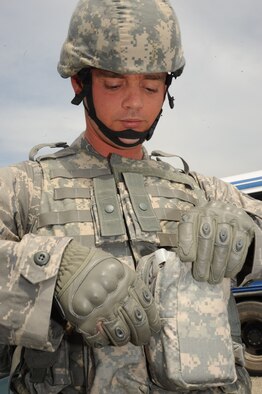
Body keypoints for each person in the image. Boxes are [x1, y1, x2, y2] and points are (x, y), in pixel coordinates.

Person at [0, 0, 262, 393]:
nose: (135, 103)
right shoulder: (23, 188)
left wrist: (250, 238)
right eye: (114, 84)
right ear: (79, 82)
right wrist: (46, 273)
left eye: (152, 85)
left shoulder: (204, 191)